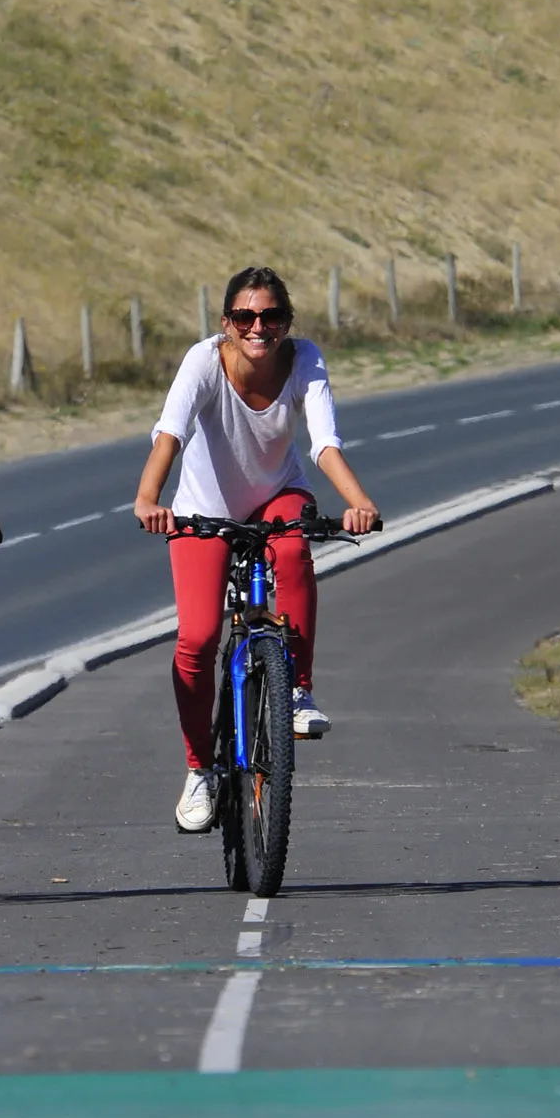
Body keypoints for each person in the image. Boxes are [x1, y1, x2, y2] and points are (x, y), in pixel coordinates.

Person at [133, 265, 380, 834]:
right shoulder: (204, 362)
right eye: (244, 317)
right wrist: (149, 498)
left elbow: (324, 444)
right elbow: (170, 432)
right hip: (203, 510)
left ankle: (297, 688)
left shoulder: (305, 359)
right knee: (196, 638)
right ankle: (200, 769)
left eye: (270, 316)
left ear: (286, 323)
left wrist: (360, 502)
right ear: (226, 323)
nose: (257, 327)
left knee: (293, 552)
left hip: (277, 494)